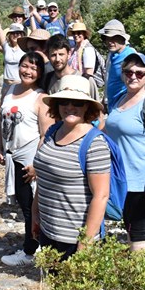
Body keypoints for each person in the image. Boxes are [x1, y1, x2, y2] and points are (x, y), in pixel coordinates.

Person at [31, 74, 110, 261]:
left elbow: (101, 195)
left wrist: (86, 242)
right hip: (48, 230)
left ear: (87, 107)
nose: (70, 107)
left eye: (77, 102)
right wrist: (35, 213)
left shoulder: (94, 143)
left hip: (74, 237)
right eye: (64, 101)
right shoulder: (52, 132)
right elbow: (44, 177)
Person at [104, 52, 145, 252]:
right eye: (129, 72)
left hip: (138, 180)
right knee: (128, 225)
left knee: (137, 228)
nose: (133, 76)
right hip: (117, 177)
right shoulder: (121, 99)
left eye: (140, 73)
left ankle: (141, 276)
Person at [0, 52, 51, 267]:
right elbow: (2, 120)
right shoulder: (10, 90)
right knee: (24, 203)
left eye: (34, 68)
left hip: (29, 157)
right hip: (12, 155)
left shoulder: (41, 97)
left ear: (39, 73)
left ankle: (31, 250)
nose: (28, 71)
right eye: (25, 66)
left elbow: (46, 134)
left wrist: (37, 163)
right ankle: (34, 245)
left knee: (32, 206)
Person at [97, 19, 136, 109]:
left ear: (122, 38)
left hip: (123, 106)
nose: (110, 42)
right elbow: (108, 78)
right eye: (107, 38)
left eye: (114, 38)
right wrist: (105, 99)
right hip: (111, 104)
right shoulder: (111, 55)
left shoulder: (130, 56)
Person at [0, 0, 26, 87]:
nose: (16, 35)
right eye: (13, 33)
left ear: (22, 35)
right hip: (6, 85)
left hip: (20, 85)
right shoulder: (6, 47)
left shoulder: (25, 49)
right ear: (9, 34)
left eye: (18, 33)